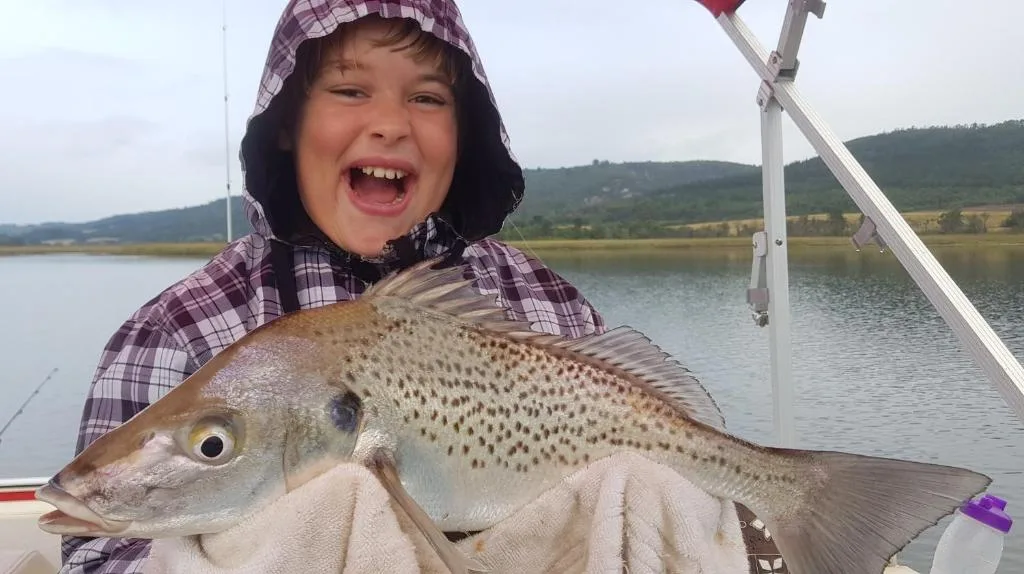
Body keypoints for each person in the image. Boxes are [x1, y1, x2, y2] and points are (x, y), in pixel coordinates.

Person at [59, 1, 785, 572]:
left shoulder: (552, 307)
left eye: (430, 100)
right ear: (287, 124)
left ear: (466, 133)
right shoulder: (176, 331)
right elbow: (96, 555)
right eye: (348, 89)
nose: (389, 126)